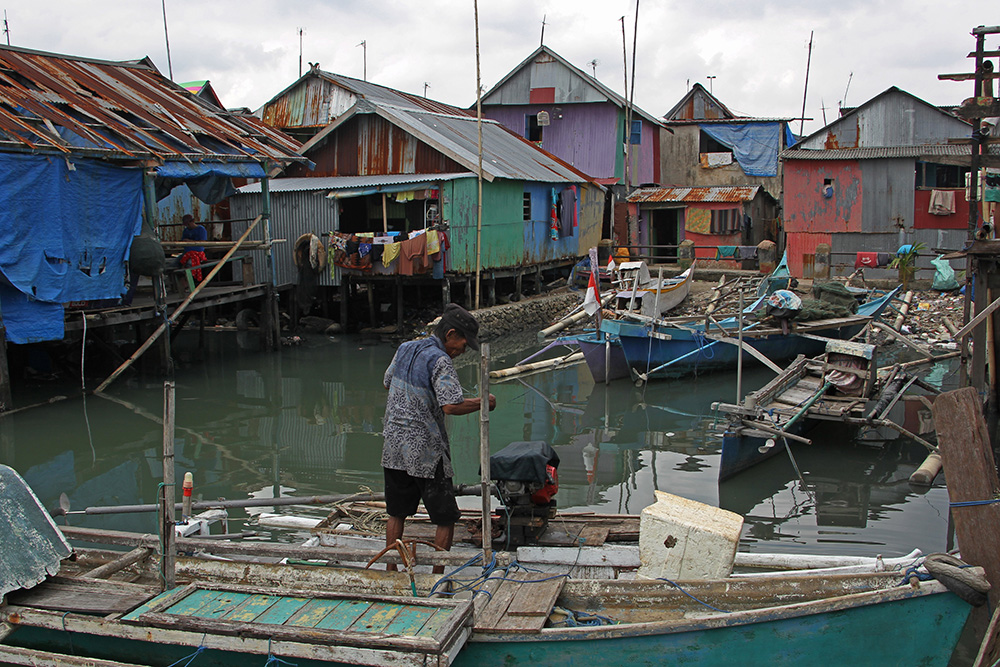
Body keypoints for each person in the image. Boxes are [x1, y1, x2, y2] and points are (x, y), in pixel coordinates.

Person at [381, 303, 496, 574]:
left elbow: (387, 382)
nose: (463, 351)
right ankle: (437, 576)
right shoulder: (440, 359)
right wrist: (483, 403)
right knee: (445, 517)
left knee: (396, 512)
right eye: (464, 344)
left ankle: (391, 570)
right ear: (450, 334)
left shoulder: (405, 347)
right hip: (425, 451)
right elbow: (451, 406)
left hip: (394, 445)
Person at [180, 214, 208, 282]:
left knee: (190, 264)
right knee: (176, 263)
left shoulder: (201, 229)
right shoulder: (186, 231)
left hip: (197, 252)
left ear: (192, 222)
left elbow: (203, 242)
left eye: (188, 224)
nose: (188, 226)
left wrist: (190, 241)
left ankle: (191, 282)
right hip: (187, 253)